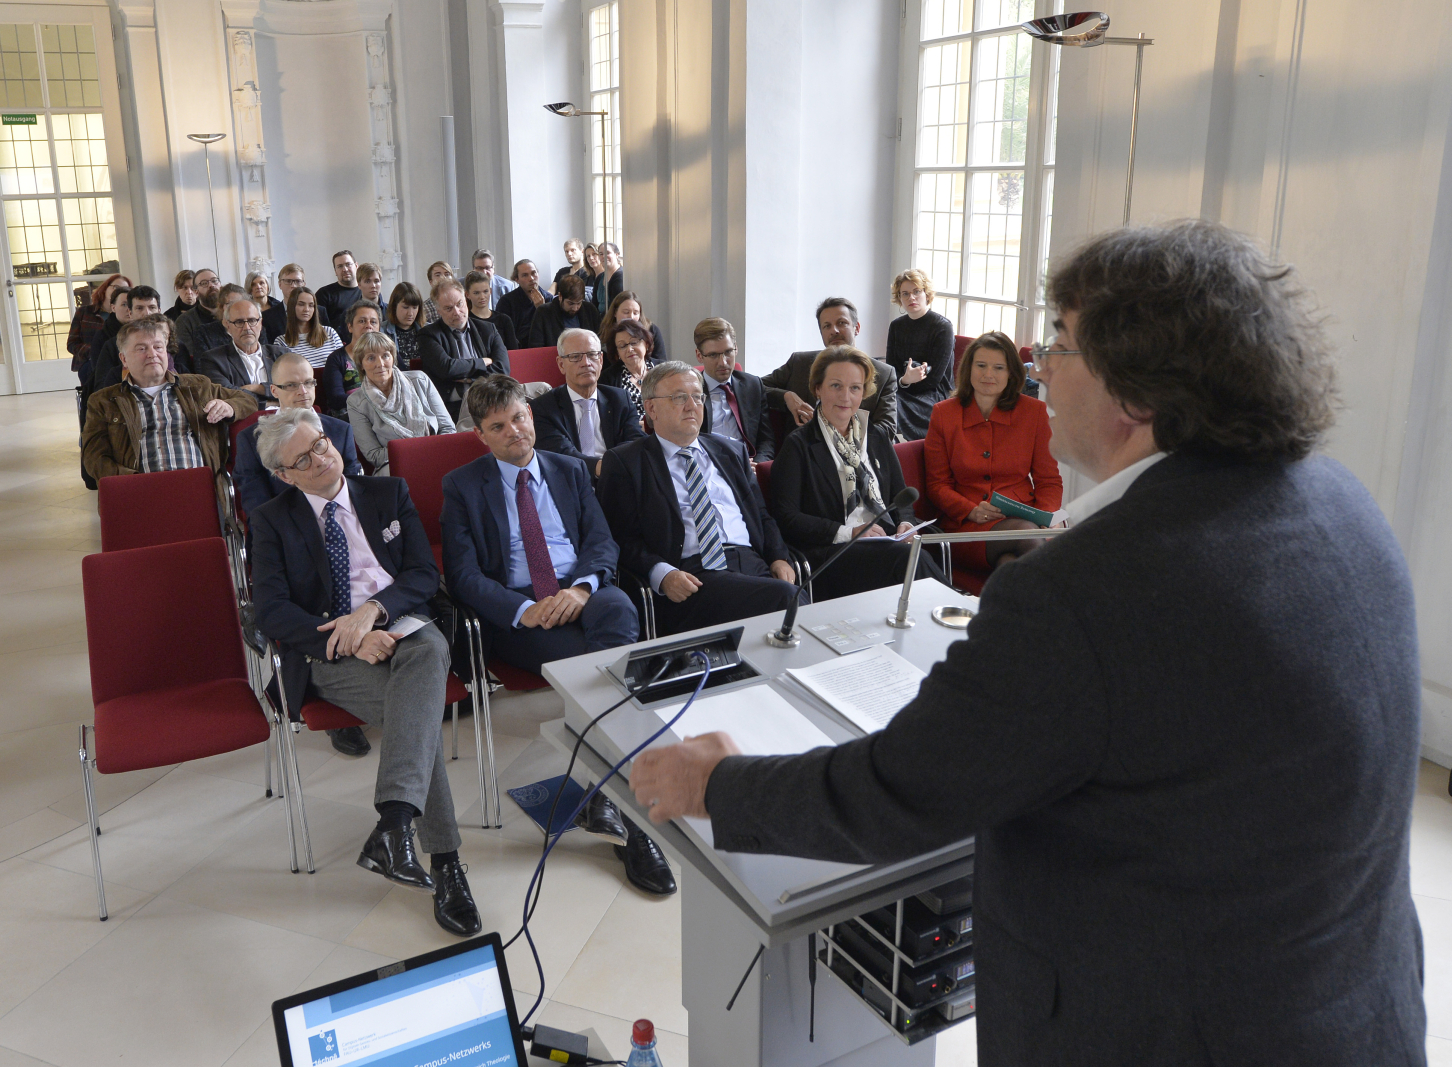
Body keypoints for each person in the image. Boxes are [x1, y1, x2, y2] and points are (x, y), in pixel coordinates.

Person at [630, 220, 1427, 1067]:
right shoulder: (1344, 503)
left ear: (1140, 391)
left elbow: (900, 793)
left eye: (1062, 341)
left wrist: (718, 782)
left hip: (1166, 1029)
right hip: (1352, 1012)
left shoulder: (1087, 587)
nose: (1041, 364)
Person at [250, 406, 481, 938]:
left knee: (425, 654)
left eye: (322, 444)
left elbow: (423, 572)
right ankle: (443, 863)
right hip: (329, 651)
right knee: (415, 725)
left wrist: (373, 614)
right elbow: (273, 611)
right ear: (284, 475)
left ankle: (397, 826)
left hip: (400, 623)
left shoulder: (386, 493)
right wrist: (350, 635)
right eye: (303, 459)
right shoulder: (270, 520)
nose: (321, 457)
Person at [441, 375, 675, 896]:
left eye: (520, 418)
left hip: (584, 591)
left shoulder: (568, 469)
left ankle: (606, 788)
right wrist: (522, 609)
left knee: (614, 630)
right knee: (604, 673)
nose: (515, 432)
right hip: (522, 608)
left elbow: (601, 541)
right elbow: (463, 575)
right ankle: (627, 812)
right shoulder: (462, 484)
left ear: (531, 413)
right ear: (480, 434)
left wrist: (584, 588)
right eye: (498, 427)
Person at [597, 361, 799, 636]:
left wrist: (779, 556)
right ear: (651, 408)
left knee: (785, 600)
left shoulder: (731, 451)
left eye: (697, 396)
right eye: (680, 397)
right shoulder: (625, 462)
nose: (692, 405)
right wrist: (662, 573)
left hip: (753, 565)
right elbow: (619, 537)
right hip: (692, 576)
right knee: (787, 600)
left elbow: (761, 514)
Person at [768, 346, 948, 600]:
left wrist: (905, 523)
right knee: (907, 561)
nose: (845, 396)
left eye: (855, 388)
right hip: (831, 554)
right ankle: (958, 613)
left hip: (883, 544)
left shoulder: (874, 436)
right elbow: (786, 517)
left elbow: (900, 496)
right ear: (817, 388)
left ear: (864, 392)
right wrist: (848, 532)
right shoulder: (798, 446)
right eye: (836, 386)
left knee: (913, 556)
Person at [925, 331, 1062, 572]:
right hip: (966, 526)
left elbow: (1048, 481)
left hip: (1026, 524)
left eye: (999, 367)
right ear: (969, 369)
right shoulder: (944, 414)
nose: (988, 374)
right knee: (1027, 540)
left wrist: (1043, 518)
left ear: (1011, 373)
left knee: (1009, 565)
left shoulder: (1034, 413)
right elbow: (937, 485)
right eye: (981, 365)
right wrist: (970, 511)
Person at [82, 314, 258, 491]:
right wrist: (132, 482)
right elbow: (94, 458)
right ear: (124, 359)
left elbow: (248, 400)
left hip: (198, 488)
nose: (153, 354)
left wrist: (229, 407)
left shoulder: (197, 386)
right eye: (141, 349)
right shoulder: (104, 401)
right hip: (139, 492)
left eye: (158, 347)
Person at [234, 351, 363, 517]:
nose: (303, 391)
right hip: (283, 527)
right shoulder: (250, 440)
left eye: (309, 383)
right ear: (274, 391)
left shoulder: (341, 430)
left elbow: (353, 488)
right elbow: (256, 504)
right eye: (291, 385)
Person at [761, 297, 898, 437]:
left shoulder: (884, 374)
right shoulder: (799, 363)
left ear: (856, 328)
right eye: (827, 326)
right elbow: (753, 386)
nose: (834, 330)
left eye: (842, 323)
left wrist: (843, 430)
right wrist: (787, 397)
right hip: (802, 452)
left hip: (857, 454)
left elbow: (886, 430)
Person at [529, 328, 644, 478]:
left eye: (592, 355)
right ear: (561, 364)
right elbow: (561, 455)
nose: (586, 363)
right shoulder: (543, 407)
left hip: (618, 481)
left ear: (601, 360)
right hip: (571, 483)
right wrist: (604, 468)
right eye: (575, 357)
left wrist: (613, 467)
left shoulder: (620, 399)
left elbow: (635, 440)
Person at [346, 331, 453, 475]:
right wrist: (417, 452)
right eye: (371, 358)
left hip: (437, 453)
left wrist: (431, 452)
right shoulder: (356, 402)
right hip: (394, 464)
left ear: (393, 358)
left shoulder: (420, 380)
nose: (380, 364)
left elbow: (448, 429)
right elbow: (374, 455)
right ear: (361, 364)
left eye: (385, 355)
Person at [418, 278, 509, 420]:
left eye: (459, 304)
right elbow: (446, 368)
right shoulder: (428, 335)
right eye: (448, 308)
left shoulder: (488, 329)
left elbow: (503, 369)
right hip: (455, 407)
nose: (457, 312)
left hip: (491, 398)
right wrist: (481, 362)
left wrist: (469, 379)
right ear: (438, 311)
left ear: (466, 300)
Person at [885, 269, 955, 440]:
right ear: (899, 298)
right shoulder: (896, 326)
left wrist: (904, 382)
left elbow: (934, 379)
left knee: (891, 402)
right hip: (903, 387)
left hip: (935, 393)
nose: (911, 298)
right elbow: (891, 370)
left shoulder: (943, 327)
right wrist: (905, 380)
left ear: (926, 293)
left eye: (917, 292)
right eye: (905, 294)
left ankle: (898, 451)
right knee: (880, 397)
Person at [695, 317, 775, 461]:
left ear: (736, 349)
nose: (723, 362)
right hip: (709, 465)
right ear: (699, 356)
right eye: (713, 355)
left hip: (748, 466)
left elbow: (766, 440)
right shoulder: (690, 391)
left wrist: (758, 466)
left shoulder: (752, 385)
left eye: (728, 352)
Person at [198, 298, 281, 402]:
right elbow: (226, 394)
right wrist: (270, 401)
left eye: (252, 320)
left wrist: (258, 388)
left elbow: (292, 389)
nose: (246, 327)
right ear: (228, 326)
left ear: (260, 323)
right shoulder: (213, 360)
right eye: (239, 322)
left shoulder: (281, 355)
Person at [88, 286, 165, 394]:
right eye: (139, 308)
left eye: (152, 307)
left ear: (159, 311)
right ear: (130, 312)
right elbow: (102, 387)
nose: (147, 313)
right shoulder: (112, 346)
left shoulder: (174, 343)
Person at [320, 300, 384, 417]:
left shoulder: (388, 354)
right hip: (351, 415)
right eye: (362, 321)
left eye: (373, 322)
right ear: (350, 327)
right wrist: (372, 401)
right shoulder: (336, 358)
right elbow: (336, 398)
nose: (368, 325)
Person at [69, 272, 131, 376]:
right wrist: (94, 352)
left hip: (118, 362)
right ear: (105, 288)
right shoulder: (84, 312)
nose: (119, 291)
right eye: (116, 287)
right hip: (88, 362)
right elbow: (72, 344)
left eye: (124, 288)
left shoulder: (127, 316)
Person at [599, 319, 656, 423]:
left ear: (646, 344)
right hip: (631, 435)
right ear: (617, 353)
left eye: (634, 342)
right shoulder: (607, 379)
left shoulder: (662, 370)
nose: (629, 349)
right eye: (623, 346)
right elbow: (610, 420)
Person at [279, 285, 344, 372]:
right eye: (301, 304)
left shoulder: (330, 332)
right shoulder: (281, 341)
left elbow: (346, 364)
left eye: (311, 305)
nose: (306, 309)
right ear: (292, 307)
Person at [528, 274, 601, 348]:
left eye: (579, 303)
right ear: (560, 296)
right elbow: (536, 346)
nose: (575, 308)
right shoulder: (543, 312)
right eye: (570, 303)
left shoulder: (590, 310)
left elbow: (599, 340)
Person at [265, 263, 332, 340]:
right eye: (288, 281)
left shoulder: (320, 311)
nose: (293, 285)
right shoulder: (268, 316)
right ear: (280, 284)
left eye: (298, 281)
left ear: (304, 284)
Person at [601, 291, 668, 365]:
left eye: (635, 313)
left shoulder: (651, 329)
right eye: (626, 312)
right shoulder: (608, 333)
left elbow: (661, 363)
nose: (631, 317)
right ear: (615, 313)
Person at [173, 268, 223, 364]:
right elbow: (192, 359)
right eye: (204, 283)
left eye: (214, 281)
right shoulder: (184, 321)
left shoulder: (233, 315)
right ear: (196, 291)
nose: (211, 285)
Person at [494, 260, 552, 343]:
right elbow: (504, 334)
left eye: (533, 273)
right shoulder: (506, 302)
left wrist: (541, 309)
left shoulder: (549, 298)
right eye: (525, 275)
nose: (531, 278)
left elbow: (552, 332)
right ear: (517, 279)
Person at [463, 269, 517, 350]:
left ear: (490, 291)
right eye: (476, 293)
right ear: (467, 295)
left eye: (485, 291)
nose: (482, 297)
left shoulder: (503, 320)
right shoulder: (465, 321)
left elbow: (513, 350)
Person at [315, 249, 362, 333]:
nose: (345, 269)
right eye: (340, 266)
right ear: (335, 271)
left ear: (356, 266)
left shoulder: (366, 291)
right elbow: (319, 326)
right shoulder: (324, 294)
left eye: (348, 264)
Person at [383, 282, 425, 369]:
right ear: (394, 306)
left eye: (415, 308)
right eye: (405, 307)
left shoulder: (427, 330)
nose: (410, 313)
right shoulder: (382, 331)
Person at [591, 242, 623, 317]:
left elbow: (614, 305)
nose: (604, 256)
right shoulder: (599, 277)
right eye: (601, 254)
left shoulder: (620, 276)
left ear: (616, 255)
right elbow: (594, 303)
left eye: (607, 253)